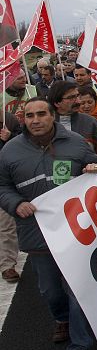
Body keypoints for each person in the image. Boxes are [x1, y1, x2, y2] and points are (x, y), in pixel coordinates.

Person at [0, 97, 97, 350]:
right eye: (29, 115)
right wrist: (14, 204)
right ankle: (61, 318)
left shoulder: (77, 143)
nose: (35, 120)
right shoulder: (9, 151)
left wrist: (93, 168)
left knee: (76, 291)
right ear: (24, 119)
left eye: (41, 114)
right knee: (50, 290)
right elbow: (3, 187)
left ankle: (79, 348)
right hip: (37, 234)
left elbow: (95, 169)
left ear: (52, 115)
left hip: (75, 233)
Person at [46, 81, 97, 156]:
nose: (78, 101)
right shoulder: (45, 124)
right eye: (71, 97)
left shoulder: (92, 123)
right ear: (57, 103)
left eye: (77, 96)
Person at [0, 111, 21, 283]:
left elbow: (25, 141)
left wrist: (10, 137)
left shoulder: (8, 120)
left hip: (5, 179)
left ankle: (7, 265)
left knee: (6, 224)